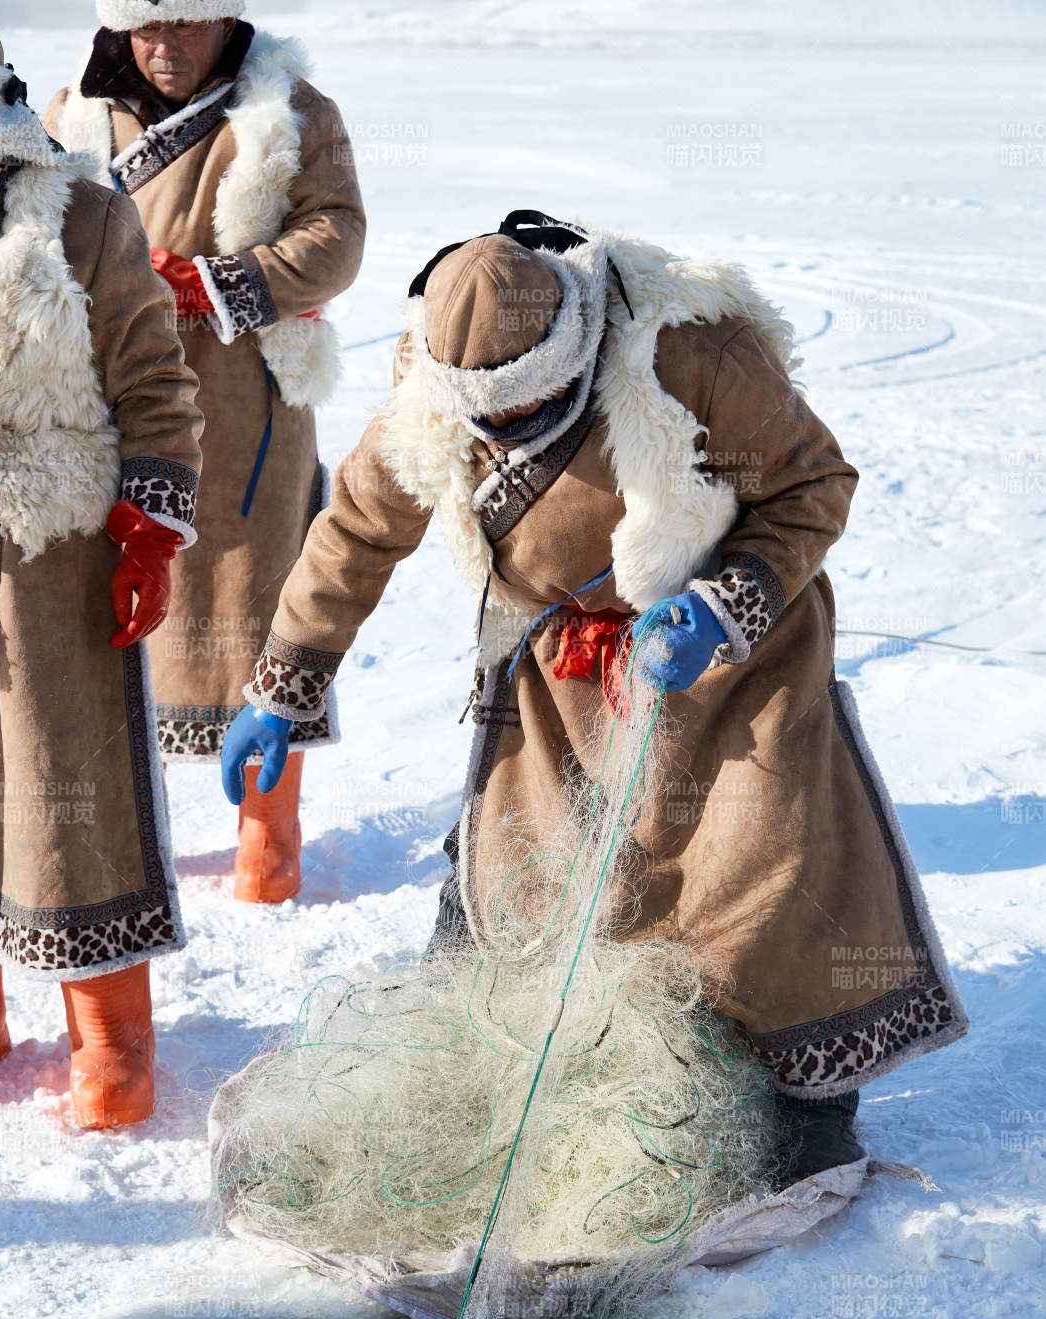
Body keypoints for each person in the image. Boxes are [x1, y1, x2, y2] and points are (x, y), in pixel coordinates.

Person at [222, 211, 969, 1183]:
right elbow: (357, 531)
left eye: (523, 414)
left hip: (732, 660)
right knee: (524, 876)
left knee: (760, 879)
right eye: (481, 421)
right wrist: (284, 682)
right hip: (557, 671)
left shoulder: (687, 348)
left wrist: (718, 602)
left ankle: (805, 1104)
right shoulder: (429, 383)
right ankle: (521, 1066)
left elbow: (812, 483)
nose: (498, 434)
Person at [45, 0, 366, 901]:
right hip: (108, 399)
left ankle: (268, 832)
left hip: (240, 402)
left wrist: (219, 283)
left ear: (226, 18)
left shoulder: (295, 111)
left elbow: (336, 238)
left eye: (185, 24)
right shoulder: (76, 110)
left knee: (256, 598)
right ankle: (107, 834)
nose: (164, 47)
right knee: (99, 609)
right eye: (148, 28)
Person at [0, 9, 203, 1127]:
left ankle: (112, 1030)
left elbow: (156, 386)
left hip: (52, 550)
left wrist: (150, 528)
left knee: (72, 785)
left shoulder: (83, 211)